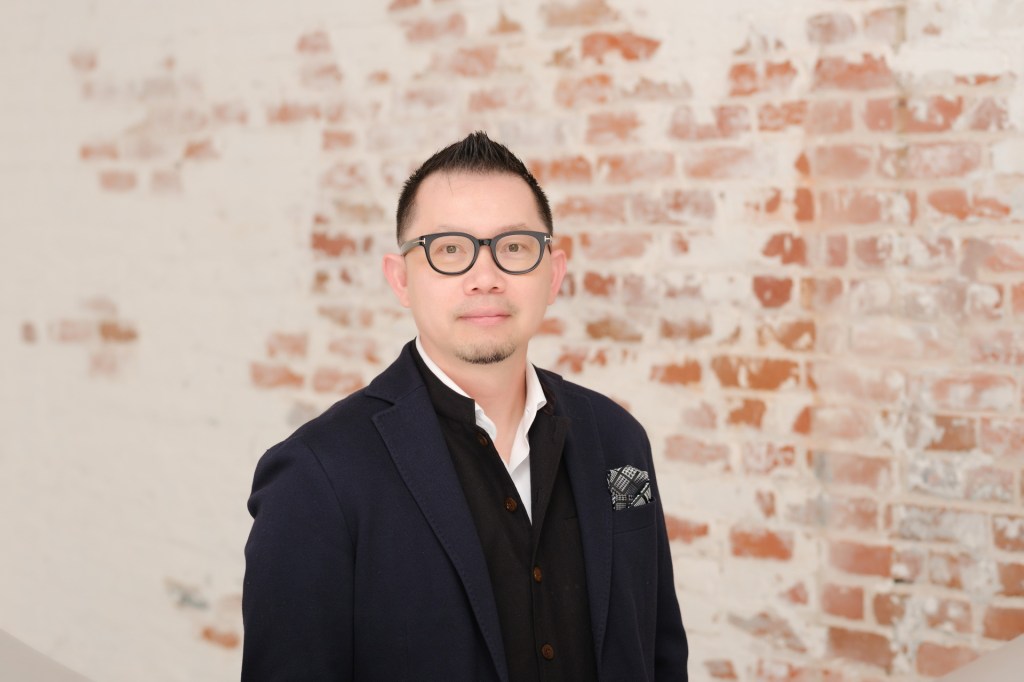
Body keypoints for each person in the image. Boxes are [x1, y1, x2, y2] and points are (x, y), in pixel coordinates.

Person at [242, 132, 688, 681]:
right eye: (449, 249)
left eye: (514, 247)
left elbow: (661, 655)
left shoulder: (618, 438)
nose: (485, 279)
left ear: (554, 274)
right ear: (401, 279)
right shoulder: (316, 475)